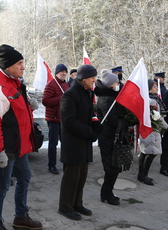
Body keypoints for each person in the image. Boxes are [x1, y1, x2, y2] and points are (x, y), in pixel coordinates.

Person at [0, 44, 42, 230]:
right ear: (8, 66)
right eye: (20, 63)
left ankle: (21, 217)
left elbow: (14, 113)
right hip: (6, 148)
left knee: (24, 178)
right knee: (2, 185)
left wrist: (27, 104)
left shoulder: (14, 82)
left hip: (19, 146)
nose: (23, 67)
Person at [58, 64, 100, 220]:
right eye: (92, 78)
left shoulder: (87, 93)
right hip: (73, 143)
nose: (94, 80)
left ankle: (77, 203)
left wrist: (95, 123)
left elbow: (90, 113)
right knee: (71, 177)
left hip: (84, 142)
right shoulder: (70, 94)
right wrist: (90, 132)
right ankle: (65, 207)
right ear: (83, 79)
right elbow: (68, 121)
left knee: (81, 176)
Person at [94, 69, 124, 206]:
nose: (118, 83)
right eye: (116, 82)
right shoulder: (106, 99)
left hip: (113, 136)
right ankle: (106, 193)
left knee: (114, 166)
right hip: (107, 137)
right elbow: (112, 120)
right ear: (110, 84)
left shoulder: (112, 97)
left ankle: (108, 192)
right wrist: (126, 122)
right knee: (111, 166)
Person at [138, 80, 168, 186]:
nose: (156, 88)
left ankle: (141, 174)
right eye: (154, 86)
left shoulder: (150, 99)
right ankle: (143, 175)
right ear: (149, 88)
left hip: (147, 130)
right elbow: (156, 116)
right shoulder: (152, 101)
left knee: (145, 152)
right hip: (152, 131)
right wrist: (165, 126)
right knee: (150, 153)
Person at [42, 64, 69, 174]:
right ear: (57, 73)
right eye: (61, 71)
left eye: (65, 71)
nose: (63, 73)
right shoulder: (51, 84)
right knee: (53, 143)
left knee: (65, 142)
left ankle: (66, 162)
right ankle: (51, 165)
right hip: (53, 119)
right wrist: (61, 98)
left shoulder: (66, 85)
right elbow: (45, 101)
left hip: (64, 119)